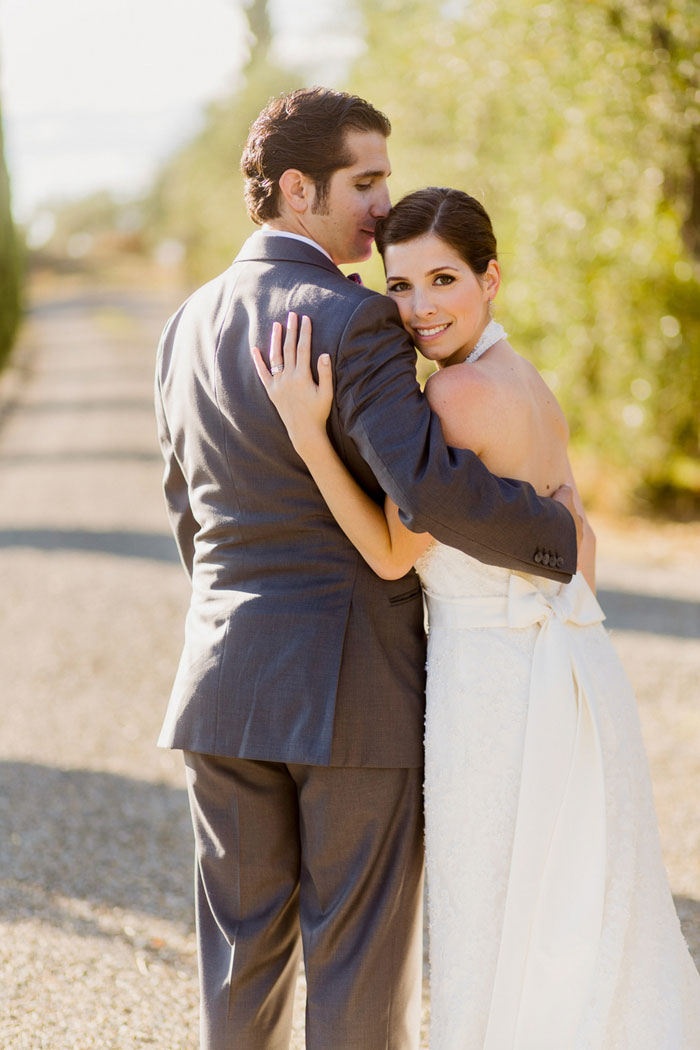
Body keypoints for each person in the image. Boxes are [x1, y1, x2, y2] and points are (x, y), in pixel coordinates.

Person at [154, 87, 580, 1050]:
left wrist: (242, 618)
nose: (385, 206)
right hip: (353, 690)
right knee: (354, 951)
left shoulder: (185, 324)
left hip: (220, 680)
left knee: (239, 954)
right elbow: (428, 491)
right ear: (298, 190)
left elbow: (189, 513)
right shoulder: (354, 320)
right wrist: (554, 532)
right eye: (367, 181)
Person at [253, 186, 700, 1047]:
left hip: (495, 685)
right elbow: (583, 548)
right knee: (577, 898)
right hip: (570, 669)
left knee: (493, 908)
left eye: (444, 280)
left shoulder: (456, 402)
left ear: (491, 279)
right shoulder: (526, 380)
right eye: (401, 285)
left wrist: (310, 434)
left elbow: (390, 552)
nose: (419, 309)